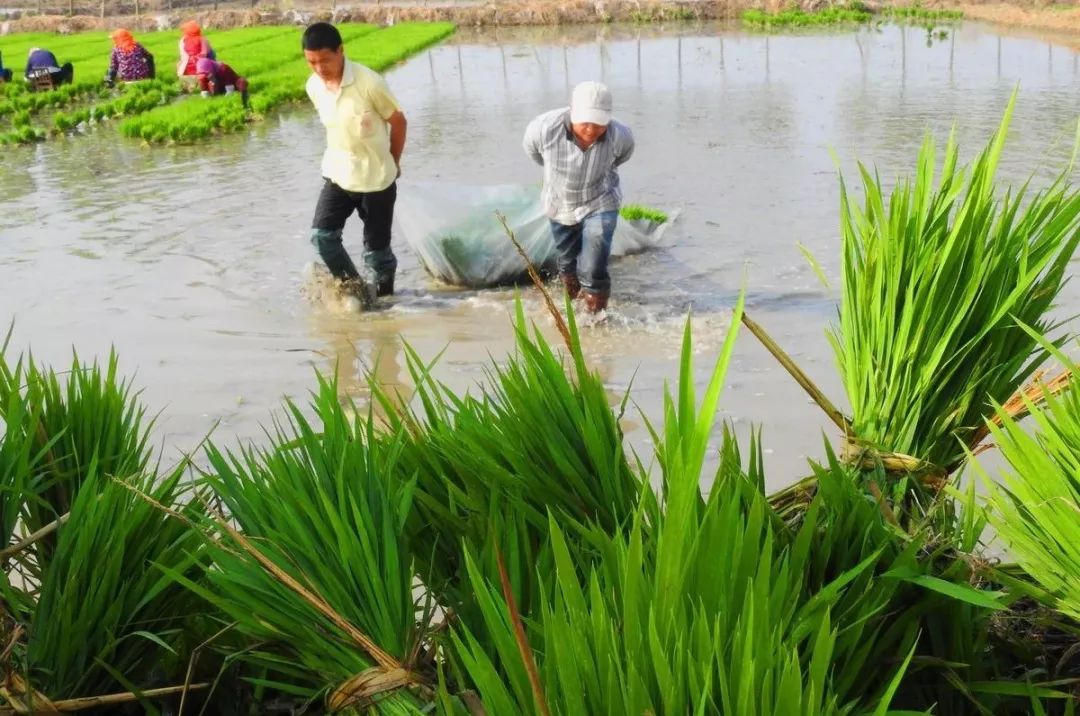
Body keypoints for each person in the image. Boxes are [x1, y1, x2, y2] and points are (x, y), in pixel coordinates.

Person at [302, 22, 407, 299]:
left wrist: (394, 163)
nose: (319, 68)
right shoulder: (314, 86)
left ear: (341, 51)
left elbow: (398, 122)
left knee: (378, 255)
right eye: (312, 62)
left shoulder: (369, 83)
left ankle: (385, 307)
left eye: (325, 59)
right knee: (322, 237)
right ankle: (356, 292)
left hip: (377, 178)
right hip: (338, 175)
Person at [523, 81, 634, 313]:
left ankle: (595, 319)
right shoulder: (543, 129)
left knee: (594, 264)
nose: (591, 130)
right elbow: (534, 153)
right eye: (585, 122)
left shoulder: (620, 136)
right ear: (572, 111)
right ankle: (571, 305)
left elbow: (622, 157)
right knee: (567, 260)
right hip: (560, 203)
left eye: (599, 123)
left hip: (600, 200)